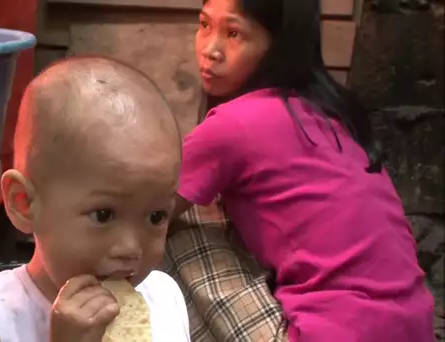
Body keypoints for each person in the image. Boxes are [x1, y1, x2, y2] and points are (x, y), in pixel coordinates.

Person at [171, 0, 435, 341]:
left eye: (233, 33)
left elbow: (143, 212)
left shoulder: (233, 126)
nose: (210, 50)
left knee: (167, 224)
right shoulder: (329, 114)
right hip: (412, 327)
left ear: (279, 47)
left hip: (324, 334)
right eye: (205, 24)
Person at [0, 56, 191, 342]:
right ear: (25, 204)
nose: (130, 248)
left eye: (156, 216)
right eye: (103, 214)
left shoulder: (164, 298)